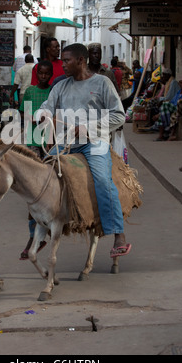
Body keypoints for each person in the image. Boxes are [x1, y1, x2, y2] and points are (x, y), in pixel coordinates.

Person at [38, 43, 131, 259]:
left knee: (102, 179)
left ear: (81, 60)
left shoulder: (102, 83)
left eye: (67, 60)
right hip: (67, 142)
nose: (63, 65)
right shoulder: (61, 86)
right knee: (42, 173)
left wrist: (88, 128)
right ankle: (38, 230)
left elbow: (119, 116)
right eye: (62, 61)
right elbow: (47, 105)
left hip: (94, 142)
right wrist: (42, 114)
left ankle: (118, 234)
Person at [18, 60, 54, 260]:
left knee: (49, 187)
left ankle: (47, 228)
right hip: (33, 142)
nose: (43, 76)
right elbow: (24, 112)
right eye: (40, 73)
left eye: (46, 73)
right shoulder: (31, 92)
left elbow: (56, 114)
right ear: (36, 73)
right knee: (31, 191)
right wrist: (35, 117)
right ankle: (33, 236)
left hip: (48, 143)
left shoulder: (53, 91)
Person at [154, 76, 182, 141]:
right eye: (180, 83)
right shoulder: (178, 91)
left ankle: (167, 127)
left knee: (165, 105)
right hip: (173, 108)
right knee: (163, 110)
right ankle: (161, 136)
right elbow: (172, 101)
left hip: (181, 109)